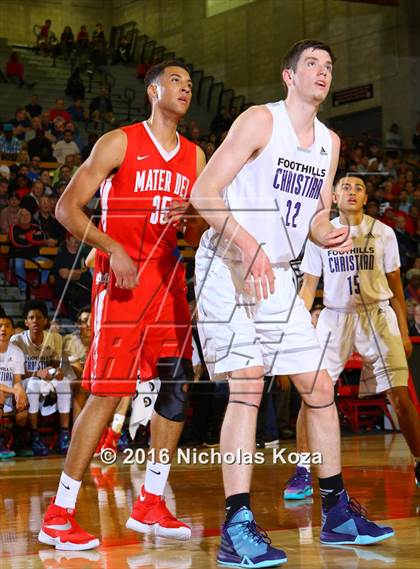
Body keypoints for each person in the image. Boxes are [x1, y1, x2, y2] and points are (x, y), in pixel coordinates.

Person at [190, 39, 394, 567]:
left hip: (277, 272)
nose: (322, 71)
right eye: (312, 63)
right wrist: (247, 243)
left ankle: (338, 513)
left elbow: (314, 215)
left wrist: (326, 234)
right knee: (248, 383)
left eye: (329, 66)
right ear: (288, 76)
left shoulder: (329, 141)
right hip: (227, 263)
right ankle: (236, 524)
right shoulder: (260, 121)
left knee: (319, 385)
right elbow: (205, 191)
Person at [38, 59, 206, 550]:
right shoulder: (120, 142)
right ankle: (59, 514)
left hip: (169, 282)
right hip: (123, 283)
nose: (186, 89)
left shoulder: (195, 157)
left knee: (176, 389)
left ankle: (151, 503)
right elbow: (66, 208)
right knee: (109, 393)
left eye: (190, 84)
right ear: (153, 91)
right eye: (176, 81)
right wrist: (111, 247)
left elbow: (197, 226)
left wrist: (190, 217)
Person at [286, 175, 420, 499]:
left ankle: (419, 462)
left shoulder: (383, 233)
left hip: (377, 314)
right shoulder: (321, 234)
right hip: (334, 316)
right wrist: (298, 326)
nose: (352, 191)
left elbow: (397, 288)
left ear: (364, 198)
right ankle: (303, 469)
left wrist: (403, 330)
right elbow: (307, 287)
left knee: (399, 396)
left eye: (359, 188)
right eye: (345, 187)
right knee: (313, 394)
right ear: (334, 197)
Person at [11, 300, 70, 456]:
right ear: (26, 322)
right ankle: (35, 436)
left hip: (45, 380)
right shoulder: (16, 340)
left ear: (45, 320)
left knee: (63, 383)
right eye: (31, 318)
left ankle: (65, 434)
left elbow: (56, 365)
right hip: (25, 382)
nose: (35, 321)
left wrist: (57, 372)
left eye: (39, 317)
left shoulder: (56, 338)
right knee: (34, 384)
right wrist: (38, 373)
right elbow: (16, 374)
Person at [0, 314, 28, 460]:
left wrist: (20, 391)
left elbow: (17, 379)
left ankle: (17, 442)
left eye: (7, 326)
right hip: (2, 394)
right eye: (0, 326)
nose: (3, 329)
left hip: (8, 393)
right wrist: (14, 390)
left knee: (23, 410)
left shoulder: (16, 352)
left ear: (12, 330)